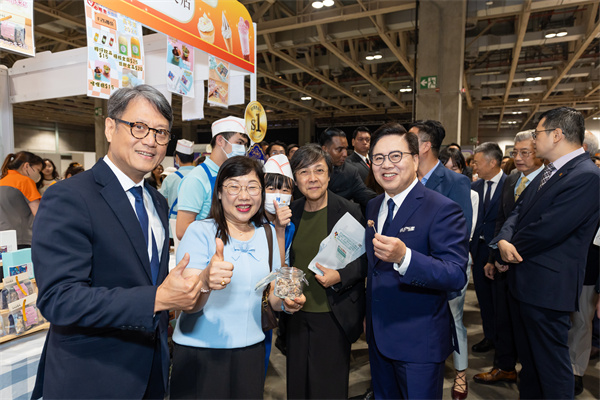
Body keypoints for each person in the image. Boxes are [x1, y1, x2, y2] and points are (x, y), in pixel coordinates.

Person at [31, 85, 206, 399]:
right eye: (139, 127)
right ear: (110, 127)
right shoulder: (69, 197)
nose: (150, 140)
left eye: (161, 132)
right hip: (93, 377)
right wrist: (156, 299)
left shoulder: (156, 201)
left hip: (151, 372)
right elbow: (59, 298)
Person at [170, 156, 305, 399]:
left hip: (251, 351)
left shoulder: (268, 234)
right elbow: (186, 302)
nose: (244, 196)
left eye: (252, 187)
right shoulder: (200, 232)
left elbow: (271, 295)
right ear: (219, 193)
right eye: (234, 187)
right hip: (201, 352)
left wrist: (287, 301)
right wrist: (204, 280)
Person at [492, 107, 600, 399]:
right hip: (525, 281)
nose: (534, 139)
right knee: (530, 365)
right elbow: (517, 213)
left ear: (557, 135)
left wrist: (507, 249)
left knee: (551, 368)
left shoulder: (587, 175)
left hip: (548, 288)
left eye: (538, 133)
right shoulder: (549, 171)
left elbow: (548, 229)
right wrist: (503, 241)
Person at [365, 122, 468, 399]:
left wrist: (405, 258)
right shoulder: (374, 206)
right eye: (378, 158)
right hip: (378, 337)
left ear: (414, 159)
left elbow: (455, 274)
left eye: (395, 156)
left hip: (418, 343)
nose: (387, 164)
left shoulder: (442, 208)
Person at [285, 144, 367, 399]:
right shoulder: (291, 213)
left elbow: (366, 260)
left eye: (319, 170)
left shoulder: (348, 211)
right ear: (295, 179)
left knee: (329, 388)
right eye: (304, 172)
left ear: (329, 175)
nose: (312, 178)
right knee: (298, 386)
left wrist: (340, 276)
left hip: (333, 315)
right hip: (296, 315)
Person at [473, 130, 543, 386]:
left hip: (532, 264)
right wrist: (493, 257)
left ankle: (531, 376)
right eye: (515, 152)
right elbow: (502, 221)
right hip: (503, 263)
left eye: (526, 152)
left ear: (540, 152)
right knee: (502, 318)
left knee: (529, 326)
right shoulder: (512, 179)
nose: (519, 157)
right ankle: (504, 367)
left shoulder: (548, 180)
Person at [437, 146, 478, 400]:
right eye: (445, 168)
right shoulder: (426, 189)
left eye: (455, 168)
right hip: (428, 264)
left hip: (456, 262)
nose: (450, 173)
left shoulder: (469, 193)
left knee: (455, 319)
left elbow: (466, 232)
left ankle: (461, 374)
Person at [176, 116, 249, 239]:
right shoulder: (196, 179)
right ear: (220, 140)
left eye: (245, 145)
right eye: (239, 143)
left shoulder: (232, 176)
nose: (243, 149)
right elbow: (182, 230)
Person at [470, 142, 506, 354]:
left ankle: (503, 342)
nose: (474, 166)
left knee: (500, 299)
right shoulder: (474, 187)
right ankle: (489, 336)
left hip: (500, 251)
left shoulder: (509, 185)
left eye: (477, 162)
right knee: (483, 297)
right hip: (479, 249)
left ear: (492, 162)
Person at [319, 127, 376, 211]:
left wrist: (385, 200)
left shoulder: (350, 171)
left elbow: (365, 195)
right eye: (339, 149)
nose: (345, 154)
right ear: (325, 149)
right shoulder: (307, 170)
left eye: (345, 149)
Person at [159, 139, 195, 237]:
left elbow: (163, 203)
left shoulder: (169, 179)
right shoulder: (202, 175)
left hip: (174, 226)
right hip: (198, 225)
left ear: (177, 158)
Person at [0, 151, 43, 216]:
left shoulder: (2, 180)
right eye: (38, 170)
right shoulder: (25, 181)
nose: (38, 174)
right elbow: (38, 213)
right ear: (26, 166)